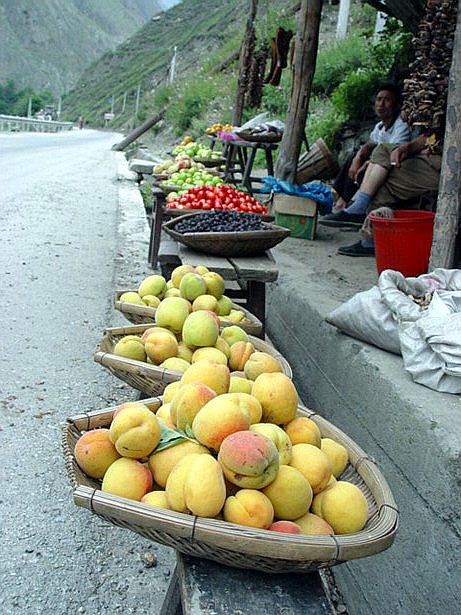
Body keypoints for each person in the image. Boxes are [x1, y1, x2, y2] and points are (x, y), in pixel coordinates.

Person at [330, 82, 412, 217]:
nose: (381, 104)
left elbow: (390, 154)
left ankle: (347, 206)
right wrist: (358, 158)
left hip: (394, 166)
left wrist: (366, 164)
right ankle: (339, 200)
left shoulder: (400, 126)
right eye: (379, 99)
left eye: (387, 100)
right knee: (354, 156)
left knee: (363, 163)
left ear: (397, 105)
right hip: (379, 163)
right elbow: (369, 145)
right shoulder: (380, 126)